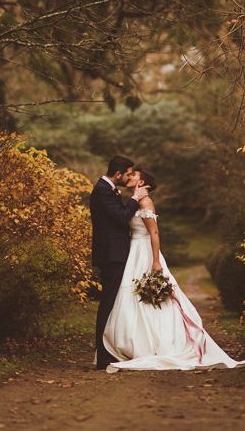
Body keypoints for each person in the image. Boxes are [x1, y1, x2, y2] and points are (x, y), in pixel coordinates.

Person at [102, 168, 245, 372]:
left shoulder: (145, 202)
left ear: (142, 182)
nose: (130, 177)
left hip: (146, 252)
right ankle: (133, 342)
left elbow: (154, 232)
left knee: (151, 298)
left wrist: (156, 261)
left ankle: (159, 343)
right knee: (131, 296)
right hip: (134, 252)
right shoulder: (135, 200)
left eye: (134, 176)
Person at [89, 155, 150, 370]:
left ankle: (109, 350)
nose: (129, 177)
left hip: (116, 253)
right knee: (108, 303)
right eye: (127, 174)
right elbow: (121, 217)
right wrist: (135, 199)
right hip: (110, 255)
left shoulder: (109, 189)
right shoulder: (102, 190)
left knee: (114, 303)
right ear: (118, 174)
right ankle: (103, 356)